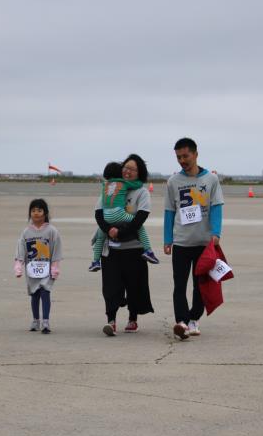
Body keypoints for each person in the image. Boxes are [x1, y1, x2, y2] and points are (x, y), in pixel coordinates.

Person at [164, 137, 224, 339]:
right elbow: (169, 212)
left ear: (196, 154)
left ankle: (193, 319)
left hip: (204, 243)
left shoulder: (211, 179)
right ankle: (181, 322)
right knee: (179, 284)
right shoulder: (173, 182)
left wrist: (216, 233)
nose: (182, 160)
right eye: (178, 157)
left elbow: (216, 207)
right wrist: (167, 239)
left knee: (200, 285)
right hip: (181, 242)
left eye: (185, 156)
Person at [96, 155, 154, 335]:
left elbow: (140, 219)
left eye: (132, 169)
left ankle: (132, 319)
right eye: (125, 167)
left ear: (139, 173)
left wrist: (120, 233)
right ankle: (111, 321)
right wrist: (108, 230)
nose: (127, 171)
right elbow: (99, 214)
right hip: (111, 249)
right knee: (110, 286)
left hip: (134, 248)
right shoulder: (110, 187)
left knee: (134, 285)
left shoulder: (142, 192)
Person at [89, 166, 159, 272]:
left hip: (106, 216)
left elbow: (99, 209)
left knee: (100, 236)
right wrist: (139, 180)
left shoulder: (105, 185)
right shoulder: (123, 183)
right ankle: (148, 251)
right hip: (119, 214)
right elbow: (137, 185)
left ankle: (95, 261)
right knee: (138, 225)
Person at [14, 198, 63, 333]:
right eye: (33, 210)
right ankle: (35, 320)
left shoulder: (52, 231)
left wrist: (55, 267)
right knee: (34, 294)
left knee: (45, 291)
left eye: (39, 210)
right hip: (32, 269)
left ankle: (45, 322)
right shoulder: (26, 232)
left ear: (45, 213)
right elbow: (21, 249)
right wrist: (18, 266)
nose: (36, 213)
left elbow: (56, 249)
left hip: (47, 269)